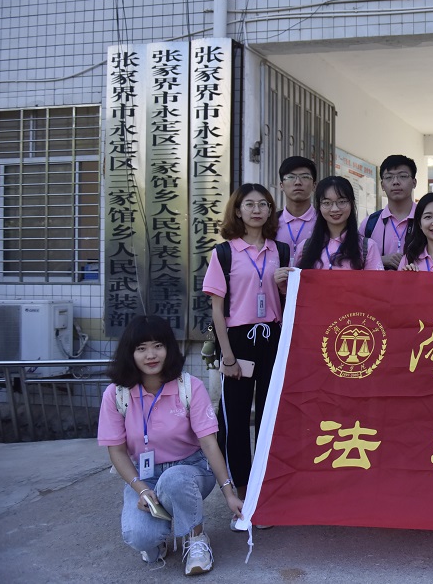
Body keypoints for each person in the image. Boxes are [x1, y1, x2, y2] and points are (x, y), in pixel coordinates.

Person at [98, 315, 245, 575]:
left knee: (174, 480)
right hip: (145, 475)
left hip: (191, 469)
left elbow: (209, 444)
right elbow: (117, 451)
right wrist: (141, 489)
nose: (151, 355)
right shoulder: (116, 394)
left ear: (169, 348)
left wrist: (228, 492)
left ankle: (196, 538)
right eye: (141, 348)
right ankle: (159, 536)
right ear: (130, 353)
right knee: (139, 536)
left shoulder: (189, 386)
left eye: (158, 346)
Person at [202, 183, 287, 530]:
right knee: (235, 422)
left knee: (270, 419)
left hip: (273, 338)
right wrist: (228, 357)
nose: (257, 210)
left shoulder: (281, 249)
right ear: (237, 211)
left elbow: (291, 297)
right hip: (238, 340)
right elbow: (217, 310)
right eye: (249, 204)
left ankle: (266, 494)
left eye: (263, 204)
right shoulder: (224, 253)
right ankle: (243, 497)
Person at [279, 175, 383, 272]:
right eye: (327, 203)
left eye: (342, 202)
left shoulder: (367, 247)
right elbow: (298, 284)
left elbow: (376, 284)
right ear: (319, 206)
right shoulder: (305, 248)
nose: (335, 209)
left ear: (352, 203)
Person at [360, 154, 417, 270]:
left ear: (414, 182)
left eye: (403, 176)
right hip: (379, 282)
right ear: (382, 185)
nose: (395, 182)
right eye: (389, 177)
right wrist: (381, 260)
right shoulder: (369, 223)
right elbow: (354, 260)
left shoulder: (426, 220)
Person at [275, 156, 317, 250]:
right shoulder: (271, 223)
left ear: (314, 185)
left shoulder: (324, 222)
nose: (298, 182)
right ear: (281, 185)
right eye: (291, 177)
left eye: (305, 177)